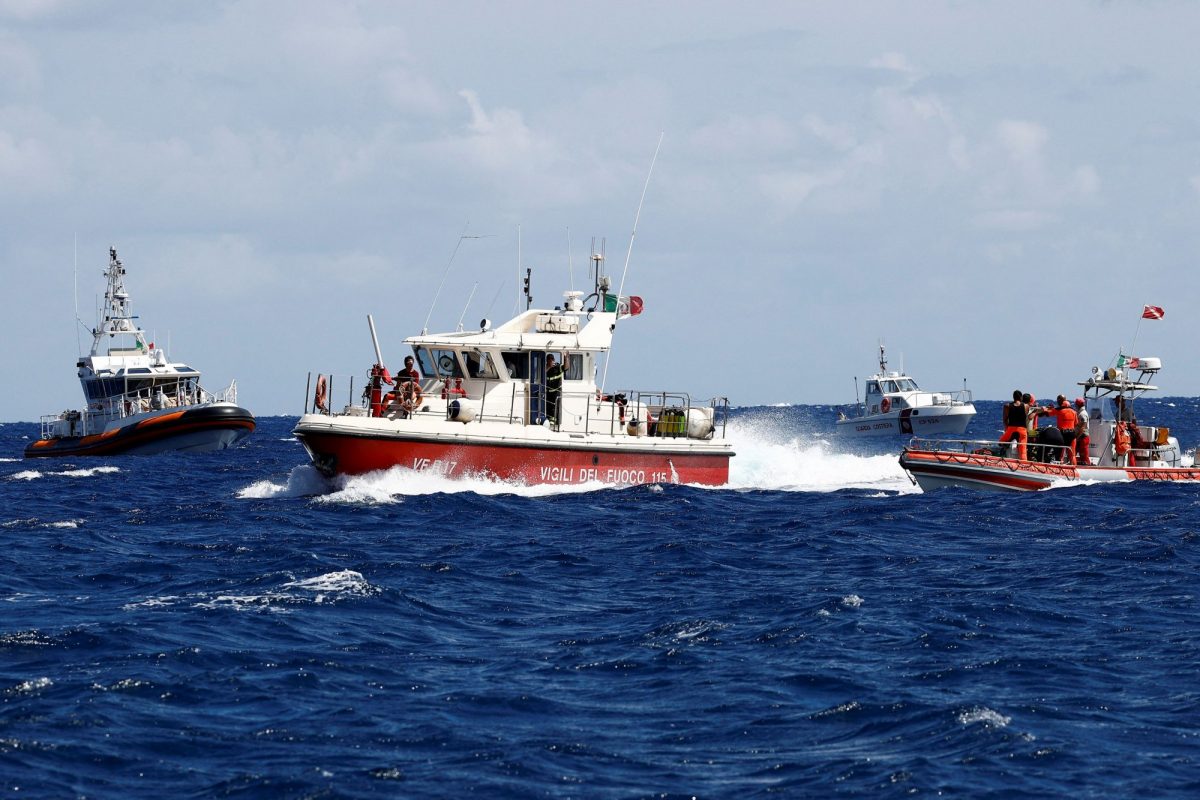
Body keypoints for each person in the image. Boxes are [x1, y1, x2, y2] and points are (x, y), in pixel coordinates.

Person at [1046, 395, 1078, 464]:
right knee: (1072, 455)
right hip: (1072, 434)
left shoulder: (1059, 410)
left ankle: (1060, 466)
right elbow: (1076, 424)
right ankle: (1074, 467)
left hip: (1062, 434)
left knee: (1060, 454)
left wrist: (1047, 409)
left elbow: (1048, 413)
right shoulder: (1074, 412)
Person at [1000, 389, 1028, 460]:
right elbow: (1026, 417)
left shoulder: (1007, 406)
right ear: (1021, 397)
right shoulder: (1026, 406)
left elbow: (1005, 420)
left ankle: (1004, 454)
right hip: (1022, 430)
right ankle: (1024, 463)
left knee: (1001, 442)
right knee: (1023, 450)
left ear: (1013, 397)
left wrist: (1006, 429)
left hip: (1011, 429)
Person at [545, 353, 565, 425]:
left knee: (556, 407)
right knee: (548, 407)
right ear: (547, 361)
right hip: (547, 392)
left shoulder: (558, 367)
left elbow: (566, 367)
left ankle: (555, 422)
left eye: (552, 359)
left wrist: (566, 357)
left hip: (556, 391)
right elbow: (541, 374)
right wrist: (549, 367)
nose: (551, 361)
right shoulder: (545, 367)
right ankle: (549, 420)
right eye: (549, 360)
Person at [1073, 398, 1090, 465]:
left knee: (1084, 455)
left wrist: (1077, 437)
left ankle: (1087, 467)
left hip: (1082, 437)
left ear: (1077, 405)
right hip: (1080, 436)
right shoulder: (1080, 413)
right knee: (1074, 452)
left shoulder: (1082, 414)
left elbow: (1083, 427)